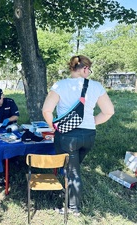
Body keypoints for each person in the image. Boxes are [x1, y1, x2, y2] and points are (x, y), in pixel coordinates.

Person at [42, 55, 114, 215]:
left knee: (73, 171)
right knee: (73, 168)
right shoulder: (96, 86)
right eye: (89, 69)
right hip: (88, 136)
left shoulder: (60, 85)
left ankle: (72, 208)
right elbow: (109, 111)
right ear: (85, 68)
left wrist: (52, 127)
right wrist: (91, 121)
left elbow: (46, 110)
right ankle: (70, 193)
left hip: (67, 137)